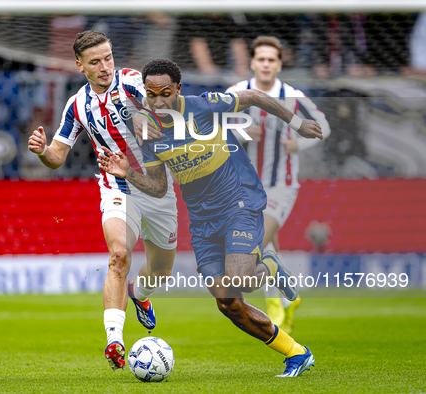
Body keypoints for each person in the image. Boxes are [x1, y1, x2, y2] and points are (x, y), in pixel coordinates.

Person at [98, 59, 323, 377]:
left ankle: (268, 264)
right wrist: (127, 173)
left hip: (238, 200)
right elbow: (159, 184)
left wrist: (297, 123)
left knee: (239, 275)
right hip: (203, 221)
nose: (159, 100)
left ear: (178, 88)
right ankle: (297, 353)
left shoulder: (204, 106)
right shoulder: (149, 133)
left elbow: (255, 96)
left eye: (165, 93)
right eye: (151, 94)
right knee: (228, 303)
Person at [28, 31, 178, 371]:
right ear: (80, 66)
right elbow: (57, 156)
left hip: (156, 187)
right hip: (116, 187)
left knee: (161, 270)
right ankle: (115, 341)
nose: (105, 66)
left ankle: (141, 294)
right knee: (118, 255)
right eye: (95, 62)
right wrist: (41, 151)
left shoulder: (133, 83)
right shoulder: (76, 105)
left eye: (108, 58)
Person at [226, 36, 331, 334]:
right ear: (253, 62)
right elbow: (214, 123)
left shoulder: (293, 95)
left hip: (282, 185)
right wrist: (243, 129)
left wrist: (299, 143)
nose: (266, 64)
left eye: (272, 59)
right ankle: (287, 299)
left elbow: (325, 125)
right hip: (247, 185)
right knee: (267, 245)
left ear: (279, 64)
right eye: (261, 59)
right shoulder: (237, 92)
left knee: (256, 242)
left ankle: (275, 303)